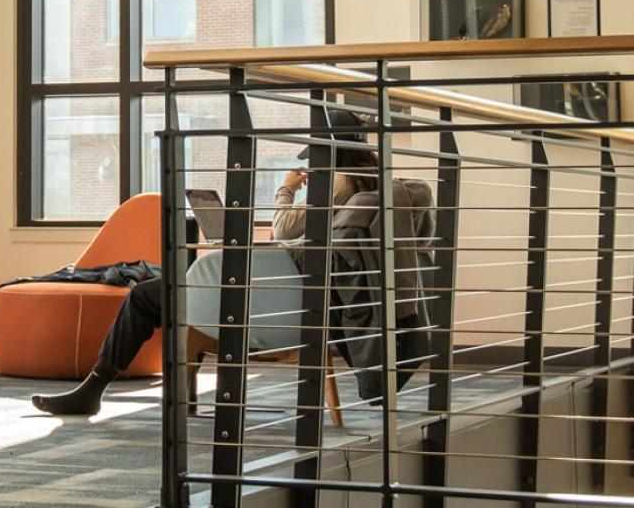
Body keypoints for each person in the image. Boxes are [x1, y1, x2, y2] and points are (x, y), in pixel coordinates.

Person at [31, 109, 429, 416]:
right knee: (160, 283)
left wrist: (286, 188)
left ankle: (92, 390)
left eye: (314, 154)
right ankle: (91, 391)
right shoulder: (379, 191)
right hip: (297, 301)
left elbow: (281, 228)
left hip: (261, 303)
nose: (309, 164)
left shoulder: (336, 187)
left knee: (144, 297)